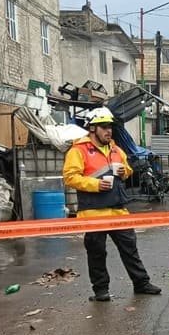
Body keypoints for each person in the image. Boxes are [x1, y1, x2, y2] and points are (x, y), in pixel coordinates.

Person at [62, 107, 161, 302]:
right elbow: (70, 177)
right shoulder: (78, 150)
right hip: (92, 210)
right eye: (104, 127)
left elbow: (128, 170)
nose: (109, 131)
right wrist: (96, 184)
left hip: (117, 208)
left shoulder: (116, 149)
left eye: (110, 127)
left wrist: (125, 172)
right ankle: (101, 291)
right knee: (97, 253)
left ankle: (141, 283)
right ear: (92, 129)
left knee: (130, 249)